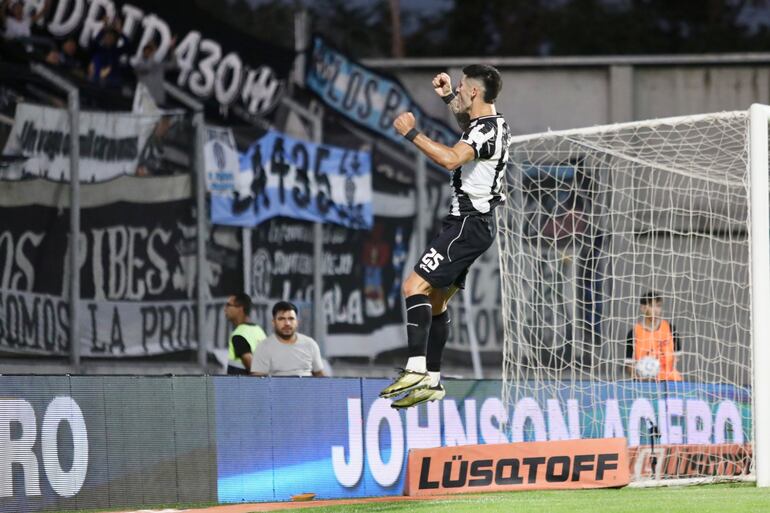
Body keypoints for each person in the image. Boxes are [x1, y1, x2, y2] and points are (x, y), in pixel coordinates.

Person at [380, 64, 510, 409]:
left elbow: (452, 159)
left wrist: (412, 133)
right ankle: (434, 380)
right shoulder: (492, 125)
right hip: (474, 226)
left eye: (464, 85)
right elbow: (468, 131)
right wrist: (450, 96)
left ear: (475, 93)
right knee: (436, 302)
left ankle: (416, 368)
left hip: (467, 223)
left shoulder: (485, 132)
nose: (461, 89)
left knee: (413, 287)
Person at [250, 301, 325, 377]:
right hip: (277, 389)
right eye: (281, 319)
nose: (287, 323)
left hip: (308, 388)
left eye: (291, 319)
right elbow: (258, 382)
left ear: (297, 322)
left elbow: (320, 375)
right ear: (273, 322)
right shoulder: (263, 347)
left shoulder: (310, 344)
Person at [626, 291, 682, 381]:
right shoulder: (633, 333)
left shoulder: (670, 328)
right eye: (652, 306)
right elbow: (629, 364)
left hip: (671, 382)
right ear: (643, 308)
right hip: (645, 384)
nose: (656, 310)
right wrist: (640, 374)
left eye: (658, 306)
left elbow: (676, 358)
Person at [225, 293, 266, 375]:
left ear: (240, 308)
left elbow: (255, 371)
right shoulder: (259, 330)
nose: (225, 309)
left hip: (244, 386)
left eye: (228, 305)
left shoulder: (239, 335)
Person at [133, 37, 177, 106]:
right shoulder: (139, 64)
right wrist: (152, 52)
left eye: (151, 50)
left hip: (158, 101)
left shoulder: (159, 65)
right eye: (148, 50)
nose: (150, 52)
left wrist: (172, 49)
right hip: (143, 101)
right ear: (144, 51)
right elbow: (147, 67)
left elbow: (174, 65)